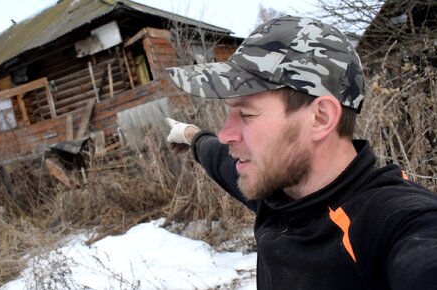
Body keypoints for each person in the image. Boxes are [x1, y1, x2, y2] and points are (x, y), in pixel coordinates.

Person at [164, 15, 437, 290]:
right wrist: (191, 135)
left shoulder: (393, 222)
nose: (225, 134)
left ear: (320, 118)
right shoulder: (277, 189)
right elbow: (216, 155)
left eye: (246, 114)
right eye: (230, 113)